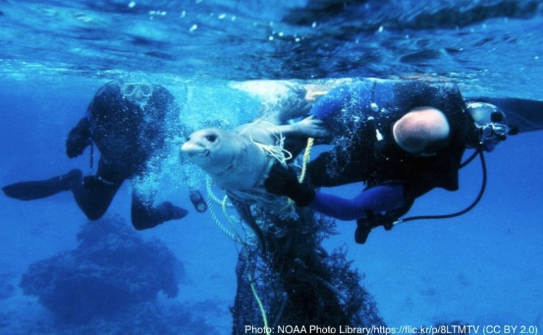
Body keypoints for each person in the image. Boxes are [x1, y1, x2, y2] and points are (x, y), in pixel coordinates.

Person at [265, 79, 515, 243]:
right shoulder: (411, 98)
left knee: (314, 175)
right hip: (367, 135)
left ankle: (372, 219)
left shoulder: (420, 175)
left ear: (425, 154)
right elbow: (351, 92)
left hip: (377, 166)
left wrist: (296, 191)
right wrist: (308, 124)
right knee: (325, 129)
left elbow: (350, 210)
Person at [2, 80, 197, 230]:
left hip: (146, 170)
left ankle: (168, 210)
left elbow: (179, 126)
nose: (137, 95)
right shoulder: (108, 95)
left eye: (145, 89)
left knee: (141, 221)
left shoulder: (163, 97)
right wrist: (78, 136)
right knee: (93, 213)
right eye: (130, 88)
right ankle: (71, 180)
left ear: (153, 86)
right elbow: (88, 120)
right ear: (122, 84)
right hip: (113, 164)